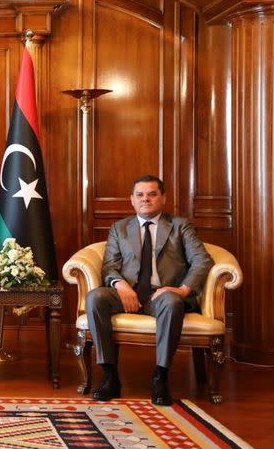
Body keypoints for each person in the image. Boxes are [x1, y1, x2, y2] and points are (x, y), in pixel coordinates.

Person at [86, 174, 212, 406]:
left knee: (172, 302)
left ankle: (160, 377)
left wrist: (181, 290)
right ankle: (109, 375)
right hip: (127, 294)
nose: (146, 199)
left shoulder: (179, 225)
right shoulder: (119, 228)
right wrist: (120, 284)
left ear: (163, 198)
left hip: (162, 295)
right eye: (140, 195)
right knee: (95, 297)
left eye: (152, 194)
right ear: (132, 199)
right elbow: (109, 266)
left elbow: (202, 260)